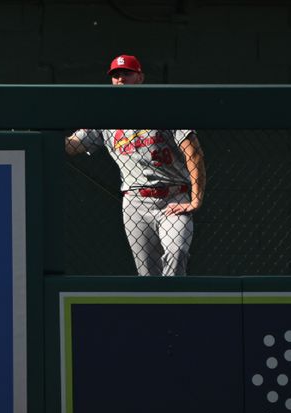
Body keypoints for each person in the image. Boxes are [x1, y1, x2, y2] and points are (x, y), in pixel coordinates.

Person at [66, 54, 207, 276]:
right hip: (135, 204)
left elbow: (194, 153)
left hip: (173, 197)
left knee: (177, 251)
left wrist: (196, 199)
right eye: (116, 75)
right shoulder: (105, 117)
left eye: (126, 74)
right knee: (147, 275)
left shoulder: (163, 108)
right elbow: (71, 146)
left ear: (140, 77)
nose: (120, 79)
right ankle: (156, 309)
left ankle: (174, 303)